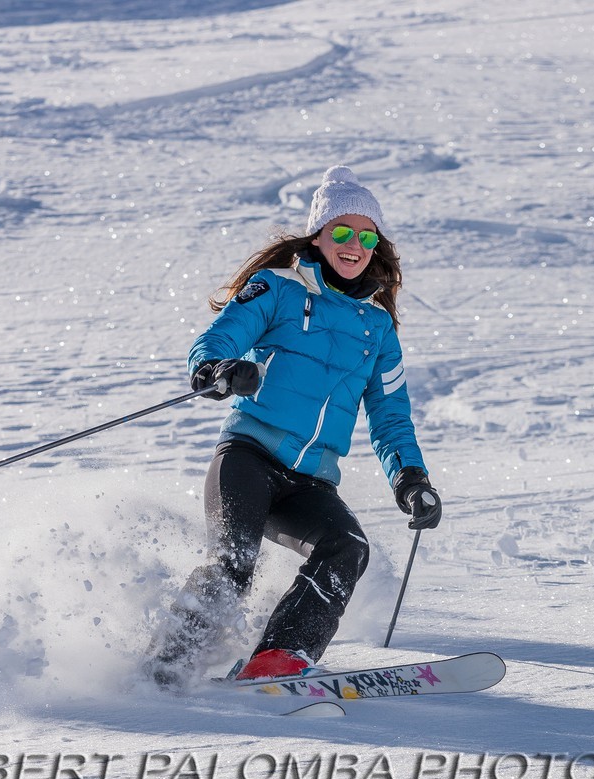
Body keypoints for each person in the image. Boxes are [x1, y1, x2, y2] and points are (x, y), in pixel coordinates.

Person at [148, 165, 442, 687]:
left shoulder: (378, 328)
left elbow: (390, 414)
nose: (354, 245)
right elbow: (220, 336)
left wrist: (410, 477)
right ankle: (165, 669)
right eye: (342, 231)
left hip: (310, 480)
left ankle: (279, 657)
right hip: (249, 457)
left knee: (346, 548)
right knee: (233, 562)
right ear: (318, 236)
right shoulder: (277, 289)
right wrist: (217, 368)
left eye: (367, 236)